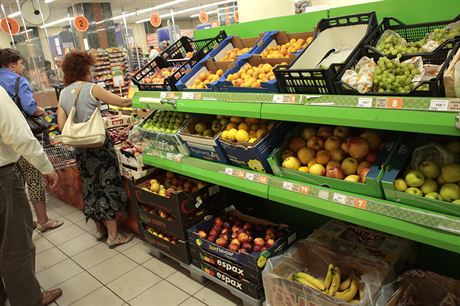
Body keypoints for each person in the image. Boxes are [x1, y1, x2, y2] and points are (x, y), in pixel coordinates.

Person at [57, 51, 134, 248]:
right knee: (106, 186)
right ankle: (113, 236)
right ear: (84, 68)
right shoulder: (92, 88)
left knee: (90, 187)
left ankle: (100, 231)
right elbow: (122, 102)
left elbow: (61, 125)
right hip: (99, 147)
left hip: (81, 150)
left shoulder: (64, 93)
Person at [0, 86, 62, 305]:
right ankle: (28, 299)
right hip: (2, 177)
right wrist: (45, 166)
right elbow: (18, 134)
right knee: (16, 244)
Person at [0, 48, 63, 233]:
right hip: (22, 138)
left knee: (18, 184)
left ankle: (27, 222)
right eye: (21, 63)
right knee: (34, 178)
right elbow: (30, 108)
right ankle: (44, 220)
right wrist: (42, 111)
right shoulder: (18, 81)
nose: (22, 67)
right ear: (12, 64)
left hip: (5, 151)